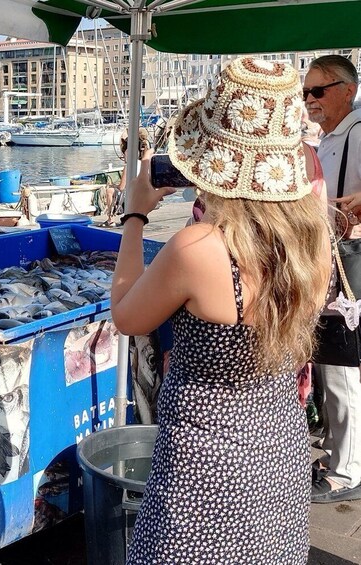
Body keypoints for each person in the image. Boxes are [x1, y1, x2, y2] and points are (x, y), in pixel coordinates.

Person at [111, 58, 331, 563]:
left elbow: (124, 314)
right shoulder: (311, 240)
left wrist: (135, 212)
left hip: (204, 468)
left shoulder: (201, 247)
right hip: (279, 449)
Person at [303, 54, 361, 503]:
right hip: (332, 264)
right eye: (306, 92)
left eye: (317, 91)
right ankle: (345, 452)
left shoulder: (357, 133)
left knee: (342, 369)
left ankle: (347, 471)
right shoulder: (329, 138)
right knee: (335, 367)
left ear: (347, 90)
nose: (309, 100)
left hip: (349, 267)